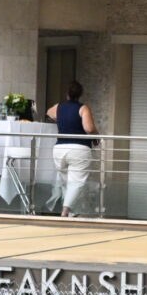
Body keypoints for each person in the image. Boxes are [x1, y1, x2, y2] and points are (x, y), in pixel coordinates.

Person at [52, 80, 96, 216]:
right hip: (79, 149)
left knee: (66, 182)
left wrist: (61, 118)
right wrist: (97, 135)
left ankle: (72, 213)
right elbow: (88, 128)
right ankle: (65, 210)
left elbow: (49, 113)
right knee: (76, 181)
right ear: (80, 94)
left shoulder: (58, 107)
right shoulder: (83, 108)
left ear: (67, 94)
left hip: (59, 148)